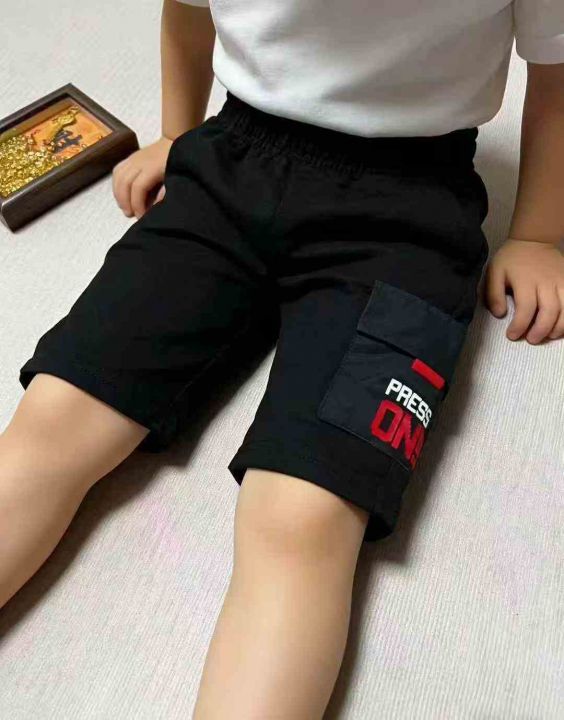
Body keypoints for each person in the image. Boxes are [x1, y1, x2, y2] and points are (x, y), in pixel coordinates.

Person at [2, 1, 563, 717]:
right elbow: (188, 9)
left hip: (413, 210)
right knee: (54, 418)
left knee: (304, 518)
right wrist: (177, 131)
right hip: (232, 163)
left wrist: (537, 233)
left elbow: (556, 72)